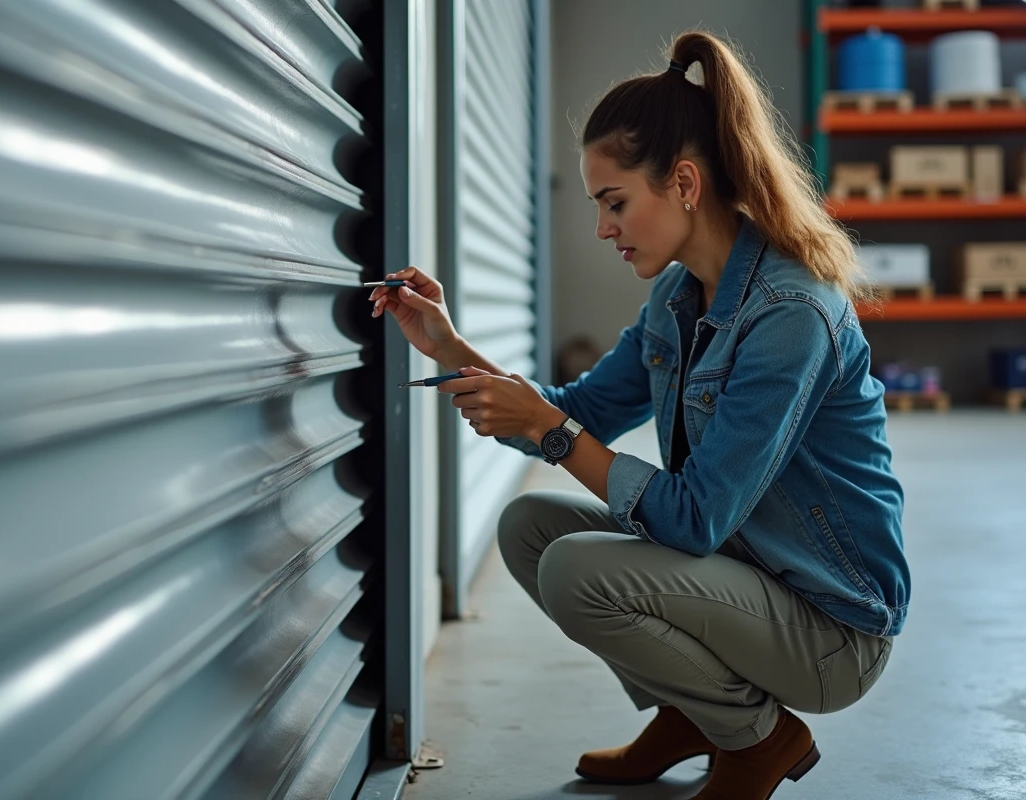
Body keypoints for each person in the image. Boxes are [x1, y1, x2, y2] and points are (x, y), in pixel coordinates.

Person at [368, 29, 910, 800]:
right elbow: (574, 410)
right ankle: (695, 715)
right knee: (530, 530)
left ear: (684, 183)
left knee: (576, 567)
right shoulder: (678, 296)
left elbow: (690, 518)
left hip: (831, 627)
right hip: (751, 574)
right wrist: (449, 345)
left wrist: (552, 433)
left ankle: (759, 739)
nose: (603, 228)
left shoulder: (792, 313)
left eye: (614, 202)